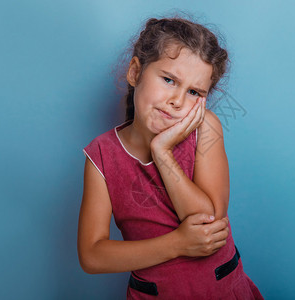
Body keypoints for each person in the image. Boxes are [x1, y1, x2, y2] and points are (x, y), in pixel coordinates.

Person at [77, 16, 264, 299]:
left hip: (222, 290)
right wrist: (177, 243)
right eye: (168, 80)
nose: (177, 100)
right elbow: (92, 255)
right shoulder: (101, 156)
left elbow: (208, 222)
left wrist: (162, 153)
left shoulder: (206, 128)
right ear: (135, 72)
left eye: (193, 92)